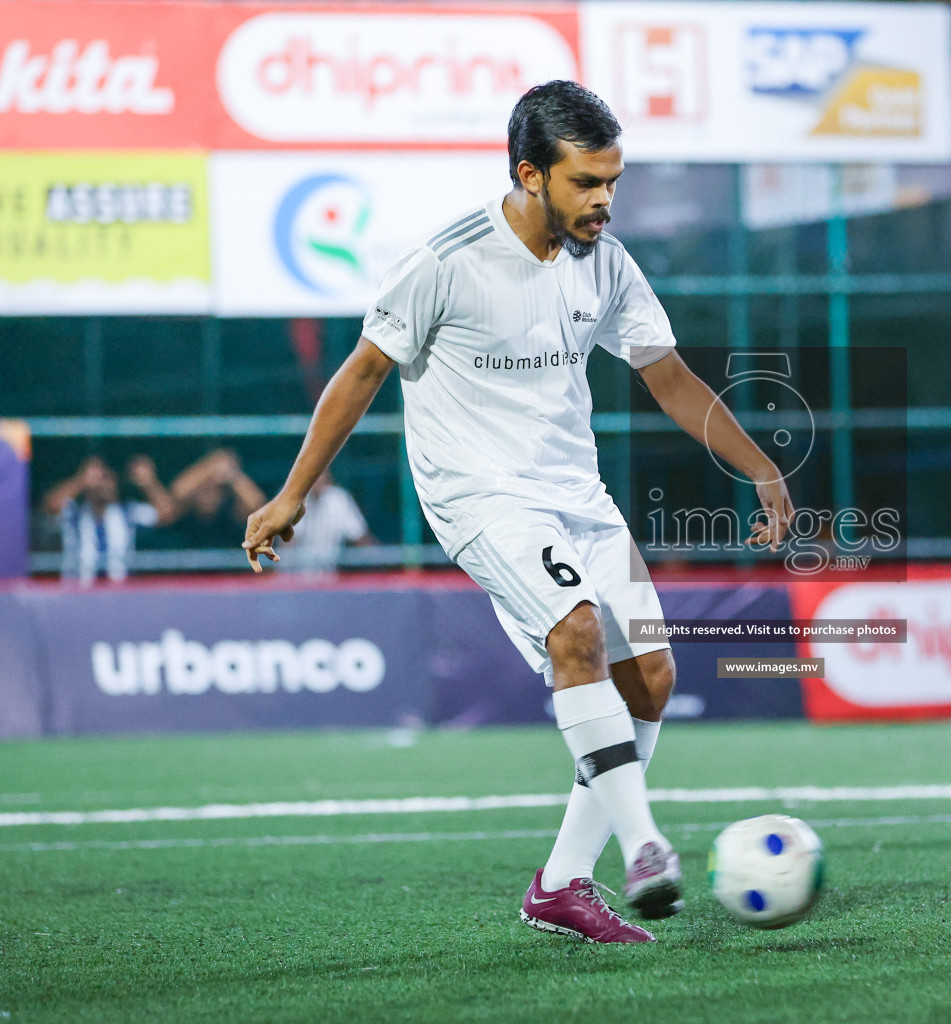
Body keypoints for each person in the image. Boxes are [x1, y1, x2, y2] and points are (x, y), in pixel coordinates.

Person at [241, 82, 793, 943]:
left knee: (651, 677)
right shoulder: (446, 260)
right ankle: (645, 846)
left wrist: (758, 466)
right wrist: (292, 493)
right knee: (575, 632)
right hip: (476, 494)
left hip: (577, 492)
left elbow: (668, 375)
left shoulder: (605, 259)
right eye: (586, 183)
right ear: (531, 175)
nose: (605, 200)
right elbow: (360, 373)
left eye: (613, 180)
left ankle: (563, 884)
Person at [44, 455, 178, 585]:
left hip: (117, 595)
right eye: (100, 478)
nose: (104, 484)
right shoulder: (74, 513)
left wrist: (148, 482)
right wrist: (80, 480)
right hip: (77, 593)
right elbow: (51, 505)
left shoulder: (128, 512)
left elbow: (167, 514)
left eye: (108, 478)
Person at [281, 470, 375, 576]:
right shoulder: (295, 499)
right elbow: (288, 543)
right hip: (298, 578)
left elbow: (360, 536)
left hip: (329, 578)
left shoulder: (339, 499)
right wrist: (283, 575)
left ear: (328, 477)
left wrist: (380, 561)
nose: (316, 481)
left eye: (320, 475)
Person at [169, 449, 267, 550]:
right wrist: (211, 466)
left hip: (230, 563)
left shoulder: (231, 511)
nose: (209, 496)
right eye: (205, 490)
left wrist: (233, 475)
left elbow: (257, 505)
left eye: (215, 490)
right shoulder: (187, 511)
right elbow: (178, 491)